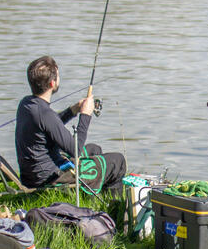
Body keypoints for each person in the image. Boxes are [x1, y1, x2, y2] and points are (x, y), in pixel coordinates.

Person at [14, 55, 126, 194]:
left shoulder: (26, 103)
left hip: (33, 175)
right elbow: (76, 150)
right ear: (52, 83)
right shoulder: (45, 113)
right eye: (58, 76)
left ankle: (92, 195)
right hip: (50, 179)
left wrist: (73, 110)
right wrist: (85, 115)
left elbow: (48, 126)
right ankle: (113, 206)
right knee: (118, 161)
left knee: (94, 149)